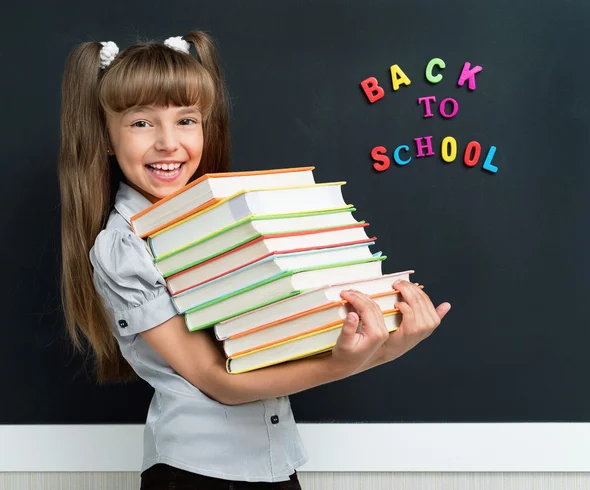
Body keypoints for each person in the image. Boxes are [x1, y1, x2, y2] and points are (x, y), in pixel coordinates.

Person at [58, 30, 451, 490]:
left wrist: (385, 347)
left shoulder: (212, 217)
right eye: (142, 123)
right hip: (195, 473)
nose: (169, 143)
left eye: (187, 120)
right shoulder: (122, 246)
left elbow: (270, 345)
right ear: (106, 136)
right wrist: (351, 363)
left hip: (273, 464)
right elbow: (216, 379)